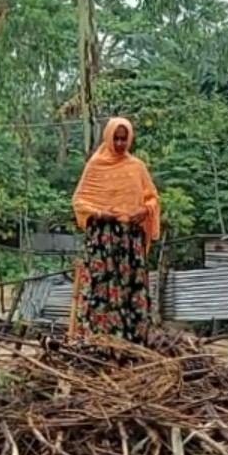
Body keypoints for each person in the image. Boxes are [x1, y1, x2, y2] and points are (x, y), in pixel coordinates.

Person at [71, 116, 161, 343]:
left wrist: (144, 211)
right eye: (116, 138)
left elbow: (152, 198)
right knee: (102, 288)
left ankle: (131, 342)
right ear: (108, 137)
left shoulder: (136, 167)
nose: (120, 143)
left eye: (124, 139)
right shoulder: (95, 166)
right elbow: (79, 201)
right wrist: (101, 213)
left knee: (130, 288)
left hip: (129, 242)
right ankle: (100, 340)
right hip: (103, 241)